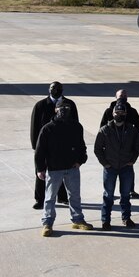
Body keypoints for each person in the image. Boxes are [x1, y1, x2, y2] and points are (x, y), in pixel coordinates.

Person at [35, 102, 92, 235]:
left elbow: (81, 146)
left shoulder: (76, 126)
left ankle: (78, 220)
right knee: (50, 197)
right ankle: (47, 224)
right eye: (61, 108)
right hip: (54, 169)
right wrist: (40, 169)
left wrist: (80, 161)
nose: (64, 110)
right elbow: (40, 151)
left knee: (75, 196)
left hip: (72, 168)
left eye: (67, 108)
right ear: (56, 109)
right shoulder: (48, 128)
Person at [94, 104, 139, 229]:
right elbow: (97, 149)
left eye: (122, 113)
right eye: (117, 112)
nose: (119, 115)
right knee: (108, 195)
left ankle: (126, 218)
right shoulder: (105, 130)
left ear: (125, 114)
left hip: (126, 166)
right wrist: (105, 163)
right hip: (110, 168)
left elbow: (137, 147)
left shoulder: (132, 129)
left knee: (125, 195)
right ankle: (105, 220)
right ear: (112, 113)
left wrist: (132, 160)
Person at [30, 81, 74, 209]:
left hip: (64, 146)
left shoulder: (70, 104)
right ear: (49, 90)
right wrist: (36, 146)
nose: (55, 91)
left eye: (58, 88)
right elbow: (34, 127)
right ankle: (40, 199)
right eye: (53, 88)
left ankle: (62, 197)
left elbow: (75, 125)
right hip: (44, 146)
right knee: (41, 172)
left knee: (63, 171)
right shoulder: (40, 105)